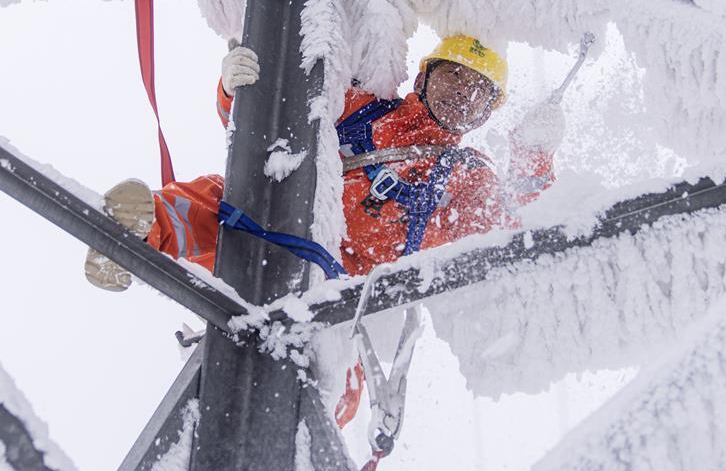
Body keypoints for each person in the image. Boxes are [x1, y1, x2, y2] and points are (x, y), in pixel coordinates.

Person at [84, 34, 564, 290]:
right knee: (223, 198)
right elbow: (269, 127)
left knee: (334, 371)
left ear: (487, 113)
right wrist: (237, 92)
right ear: (423, 78)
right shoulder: (362, 108)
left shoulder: (465, 172)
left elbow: (511, 227)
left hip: (343, 289)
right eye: (454, 75)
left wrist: (535, 156)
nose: (464, 92)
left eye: (480, 91)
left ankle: (309, 435)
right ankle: (135, 234)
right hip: (278, 221)